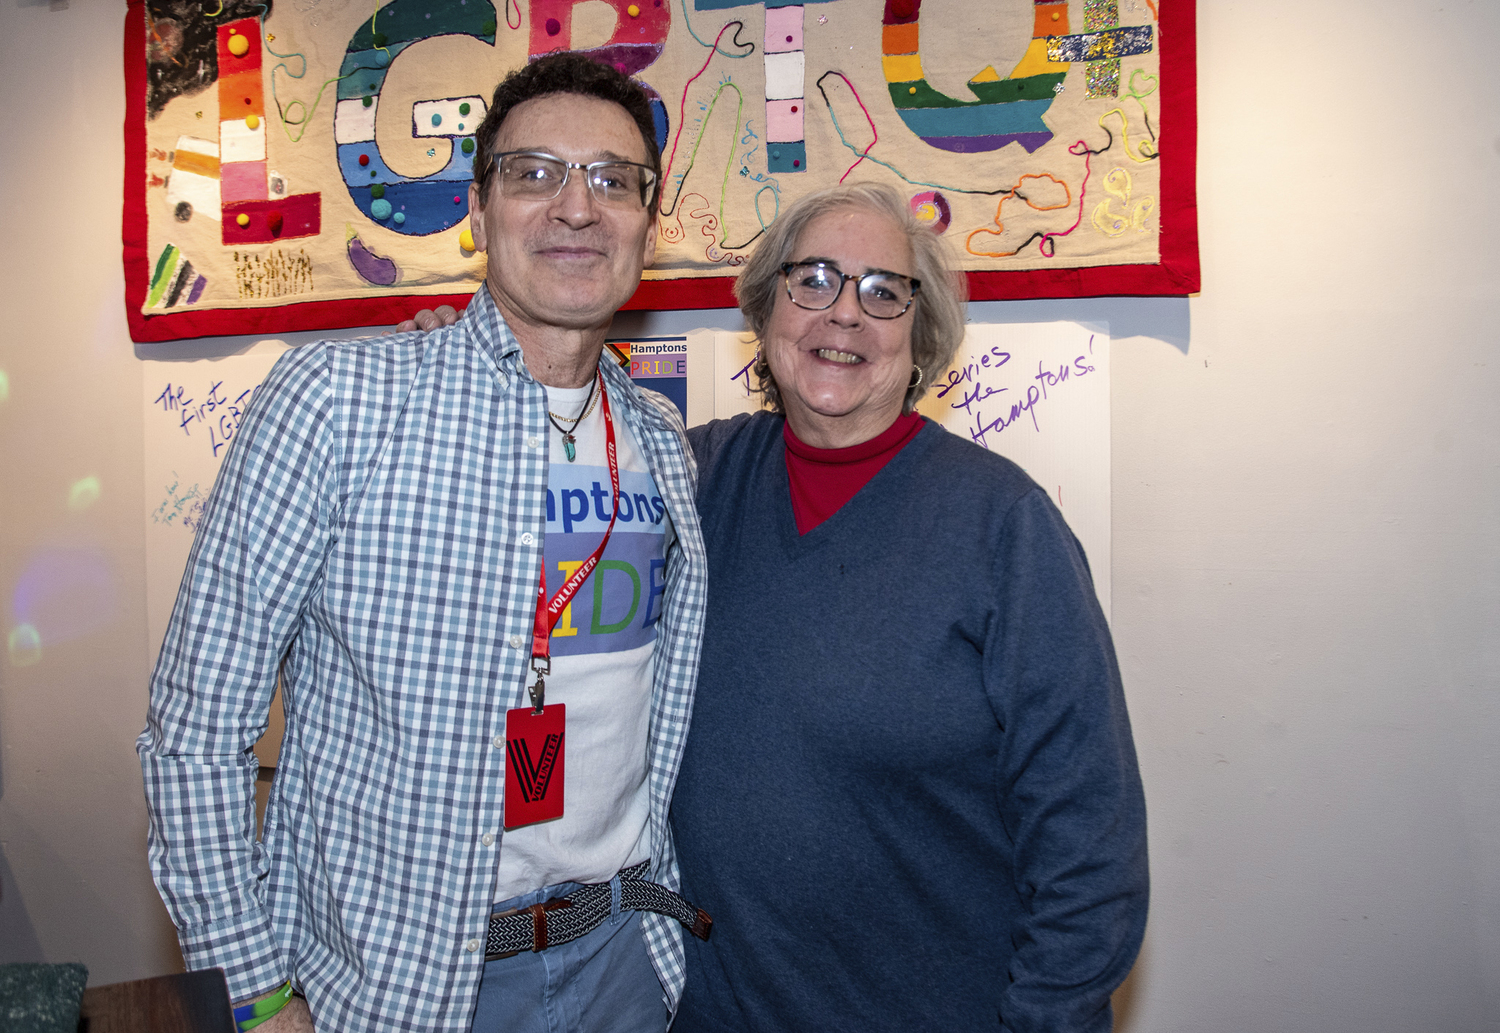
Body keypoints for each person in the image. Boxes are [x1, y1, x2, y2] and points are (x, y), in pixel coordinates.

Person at [138, 54, 712, 1033]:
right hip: (397, 988)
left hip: (622, 965)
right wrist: (256, 992)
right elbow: (195, 735)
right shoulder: (334, 405)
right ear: (477, 213)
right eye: (534, 173)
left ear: (647, 224)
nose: (577, 207)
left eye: (613, 179)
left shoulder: (661, 446)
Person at [668, 182, 1149, 1031]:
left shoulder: (1004, 525)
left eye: (884, 291)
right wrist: (457, 363)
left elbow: (1088, 837)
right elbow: (540, 444)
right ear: (766, 306)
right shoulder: (686, 477)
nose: (844, 315)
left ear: (920, 336)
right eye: (812, 278)